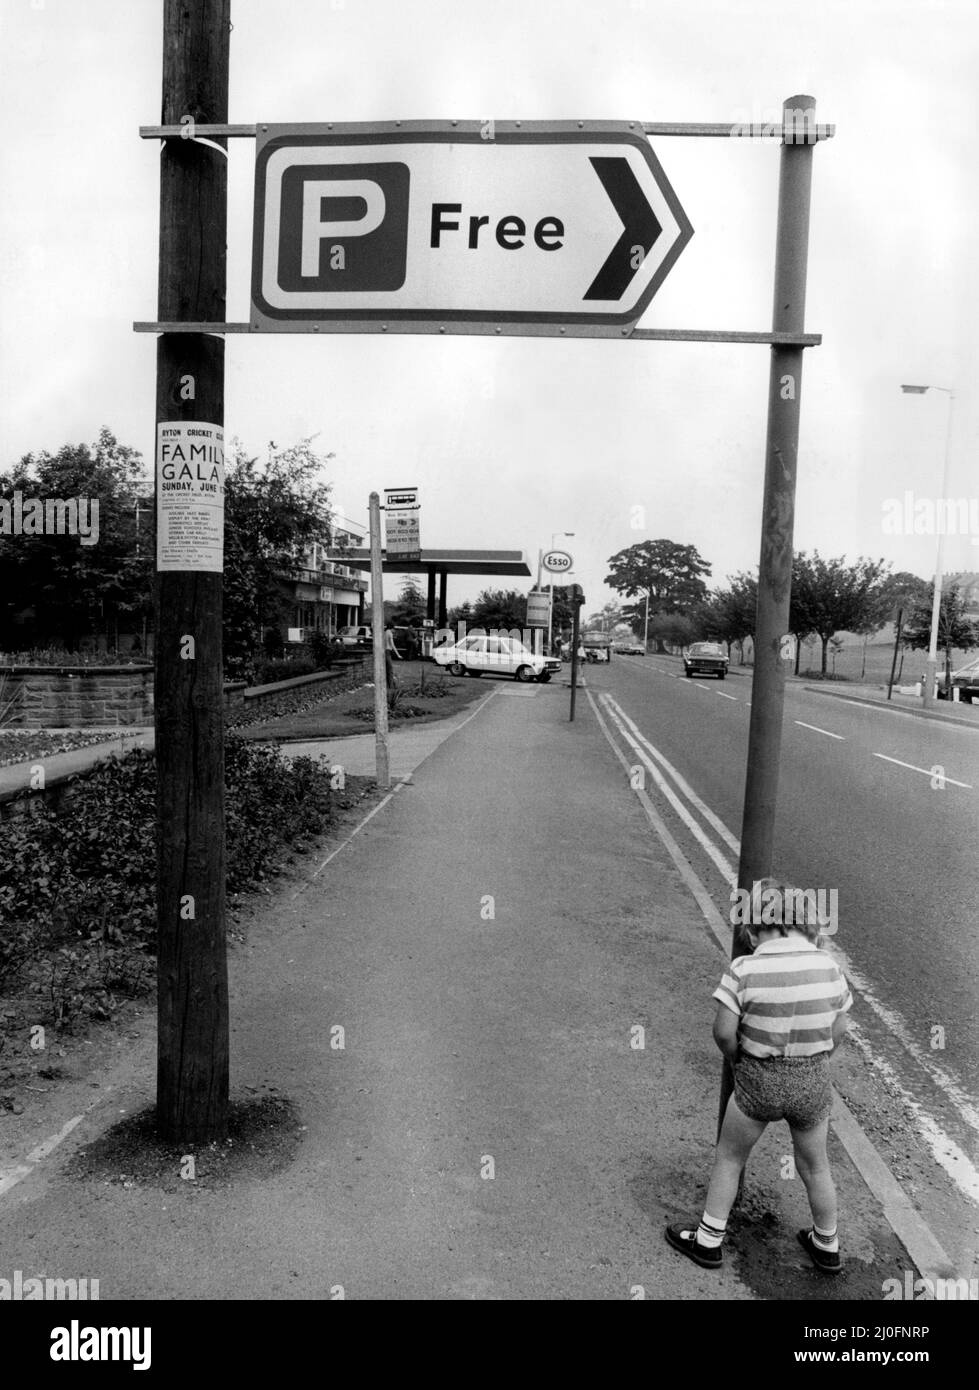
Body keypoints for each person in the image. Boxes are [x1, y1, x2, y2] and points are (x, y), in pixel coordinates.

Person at [665, 877, 852, 1275]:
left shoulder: (744, 969)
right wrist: (817, 1059)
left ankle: (709, 1241)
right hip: (813, 1082)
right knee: (815, 1165)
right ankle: (827, 1244)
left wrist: (737, 1060)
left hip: (757, 1079)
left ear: (751, 927)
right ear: (807, 921)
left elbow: (723, 1031)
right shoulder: (829, 967)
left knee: (730, 1157)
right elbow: (839, 1030)